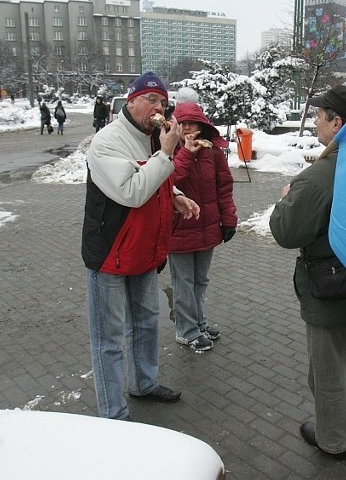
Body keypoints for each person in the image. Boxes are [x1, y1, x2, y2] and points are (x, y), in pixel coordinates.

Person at [269, 85, 346, 461]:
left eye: (320, 115)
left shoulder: (321, 176)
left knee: (328, 367)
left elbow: (286, 232)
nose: (316, 121)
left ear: (337, 123)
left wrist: (288, 198)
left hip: (329, 284)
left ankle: (332, 440)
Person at [82, 71, 200, 420]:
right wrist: (166, 154)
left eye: (163, 102)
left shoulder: (152, 139)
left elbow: (152, 178)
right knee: (109, 338)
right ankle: (113, 414)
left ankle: (144, 384)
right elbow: (131, 191)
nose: (158, 107)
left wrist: (176, 195)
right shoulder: (107, 142)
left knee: (147, 322)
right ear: (131, 100)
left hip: (144, 251)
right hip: (110, 253)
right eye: (151, 99)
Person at [168, 102, 238, 353]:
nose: (187, 128)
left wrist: (228, 220)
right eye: (182, 123)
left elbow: (224, 189)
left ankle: (199, 323)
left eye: (192, 123)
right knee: (184, 282)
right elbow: (170, 181)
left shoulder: (213, 153)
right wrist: (186, 152)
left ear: (201, 126)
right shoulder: (169, 151)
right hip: (178, 229)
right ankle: (186, 331)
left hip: (207, 228)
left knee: (200, 280)